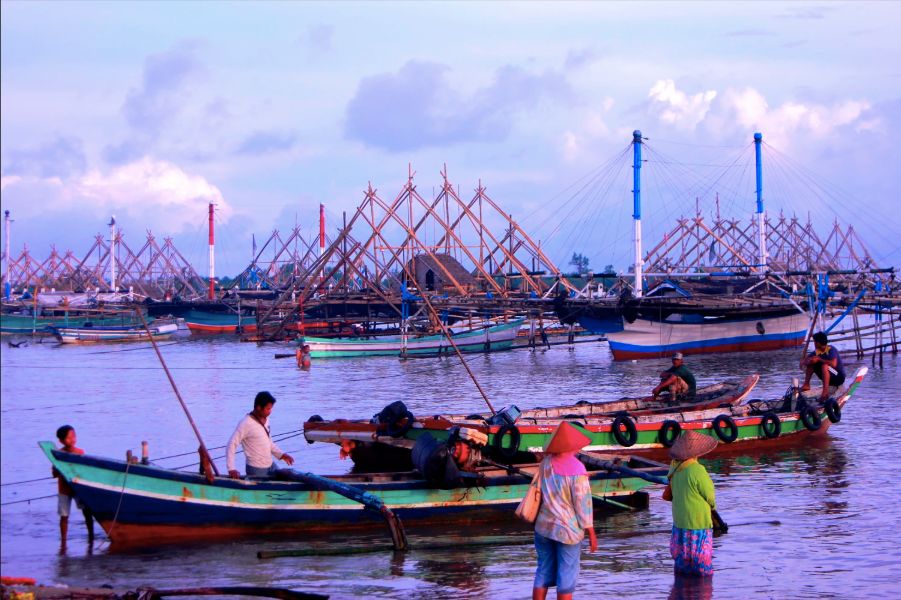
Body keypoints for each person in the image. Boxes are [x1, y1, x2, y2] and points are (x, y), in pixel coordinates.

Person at [532, 422, 597, 600]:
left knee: (543, 570)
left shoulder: (545, 463)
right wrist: (591, 531)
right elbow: (582, 504)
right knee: (566, 576)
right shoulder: (578, 469)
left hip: (543, 527)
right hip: (568, 530)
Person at [667, 430, 718, 578]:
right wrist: (713, 508)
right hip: (698, 522)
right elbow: (709, 496)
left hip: (680, 521)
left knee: (683, 565)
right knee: (702, 568)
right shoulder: (697, 470)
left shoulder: (674, 468)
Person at [226, 391, 294, 479]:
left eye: (271, 409)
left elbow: (269, 442)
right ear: (258, 407)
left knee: (286, 480)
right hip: (256, 469)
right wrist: (231, 468)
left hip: (270, 465)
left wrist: (281, 455)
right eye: (268, 409)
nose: (270, 412)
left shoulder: (266, 420)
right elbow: (232, 444)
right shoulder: (246, 423)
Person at [52, 425, 94, 548]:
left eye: (73, 436)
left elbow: (84, 471)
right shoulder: (58, 454)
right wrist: (59, 467)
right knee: (64, 516)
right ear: (61, 441)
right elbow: (54, 474)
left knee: (87, 512)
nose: (72, 439)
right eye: (69, 438)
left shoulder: (80, 452)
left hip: (78, 488)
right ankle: (63, 541)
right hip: (64, 489)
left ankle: (91, 536)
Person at [800, 332, 846, 400]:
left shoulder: (831, 349)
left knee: (825, 366)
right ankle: (806, 385)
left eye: (815, 342)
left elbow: (833, 364)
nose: (814, 344)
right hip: (828, 378)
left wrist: (819, 359)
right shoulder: (817, 352)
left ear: (818, 343)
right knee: (811, 363)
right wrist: (808, 361)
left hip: (838, 376)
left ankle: (825, 393)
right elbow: (803, 363)